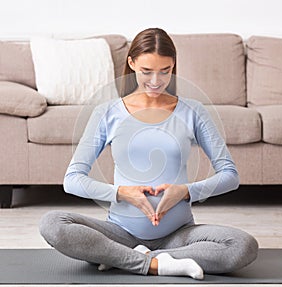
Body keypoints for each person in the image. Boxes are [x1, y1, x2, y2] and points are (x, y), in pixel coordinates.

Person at [39, 28, 258, 280]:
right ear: (131, 63)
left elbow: (230, 175)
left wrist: (186, 191)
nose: (156, 80)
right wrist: (121, 193)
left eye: (165, 71)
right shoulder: (107, 113)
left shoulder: (192, 111)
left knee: (243, 245)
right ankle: (157, 264)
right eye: (146, 71)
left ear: (173, 65)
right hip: (120, 231)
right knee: (53, 223)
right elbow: (72, 179)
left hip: (178, 235)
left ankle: (123, 258)